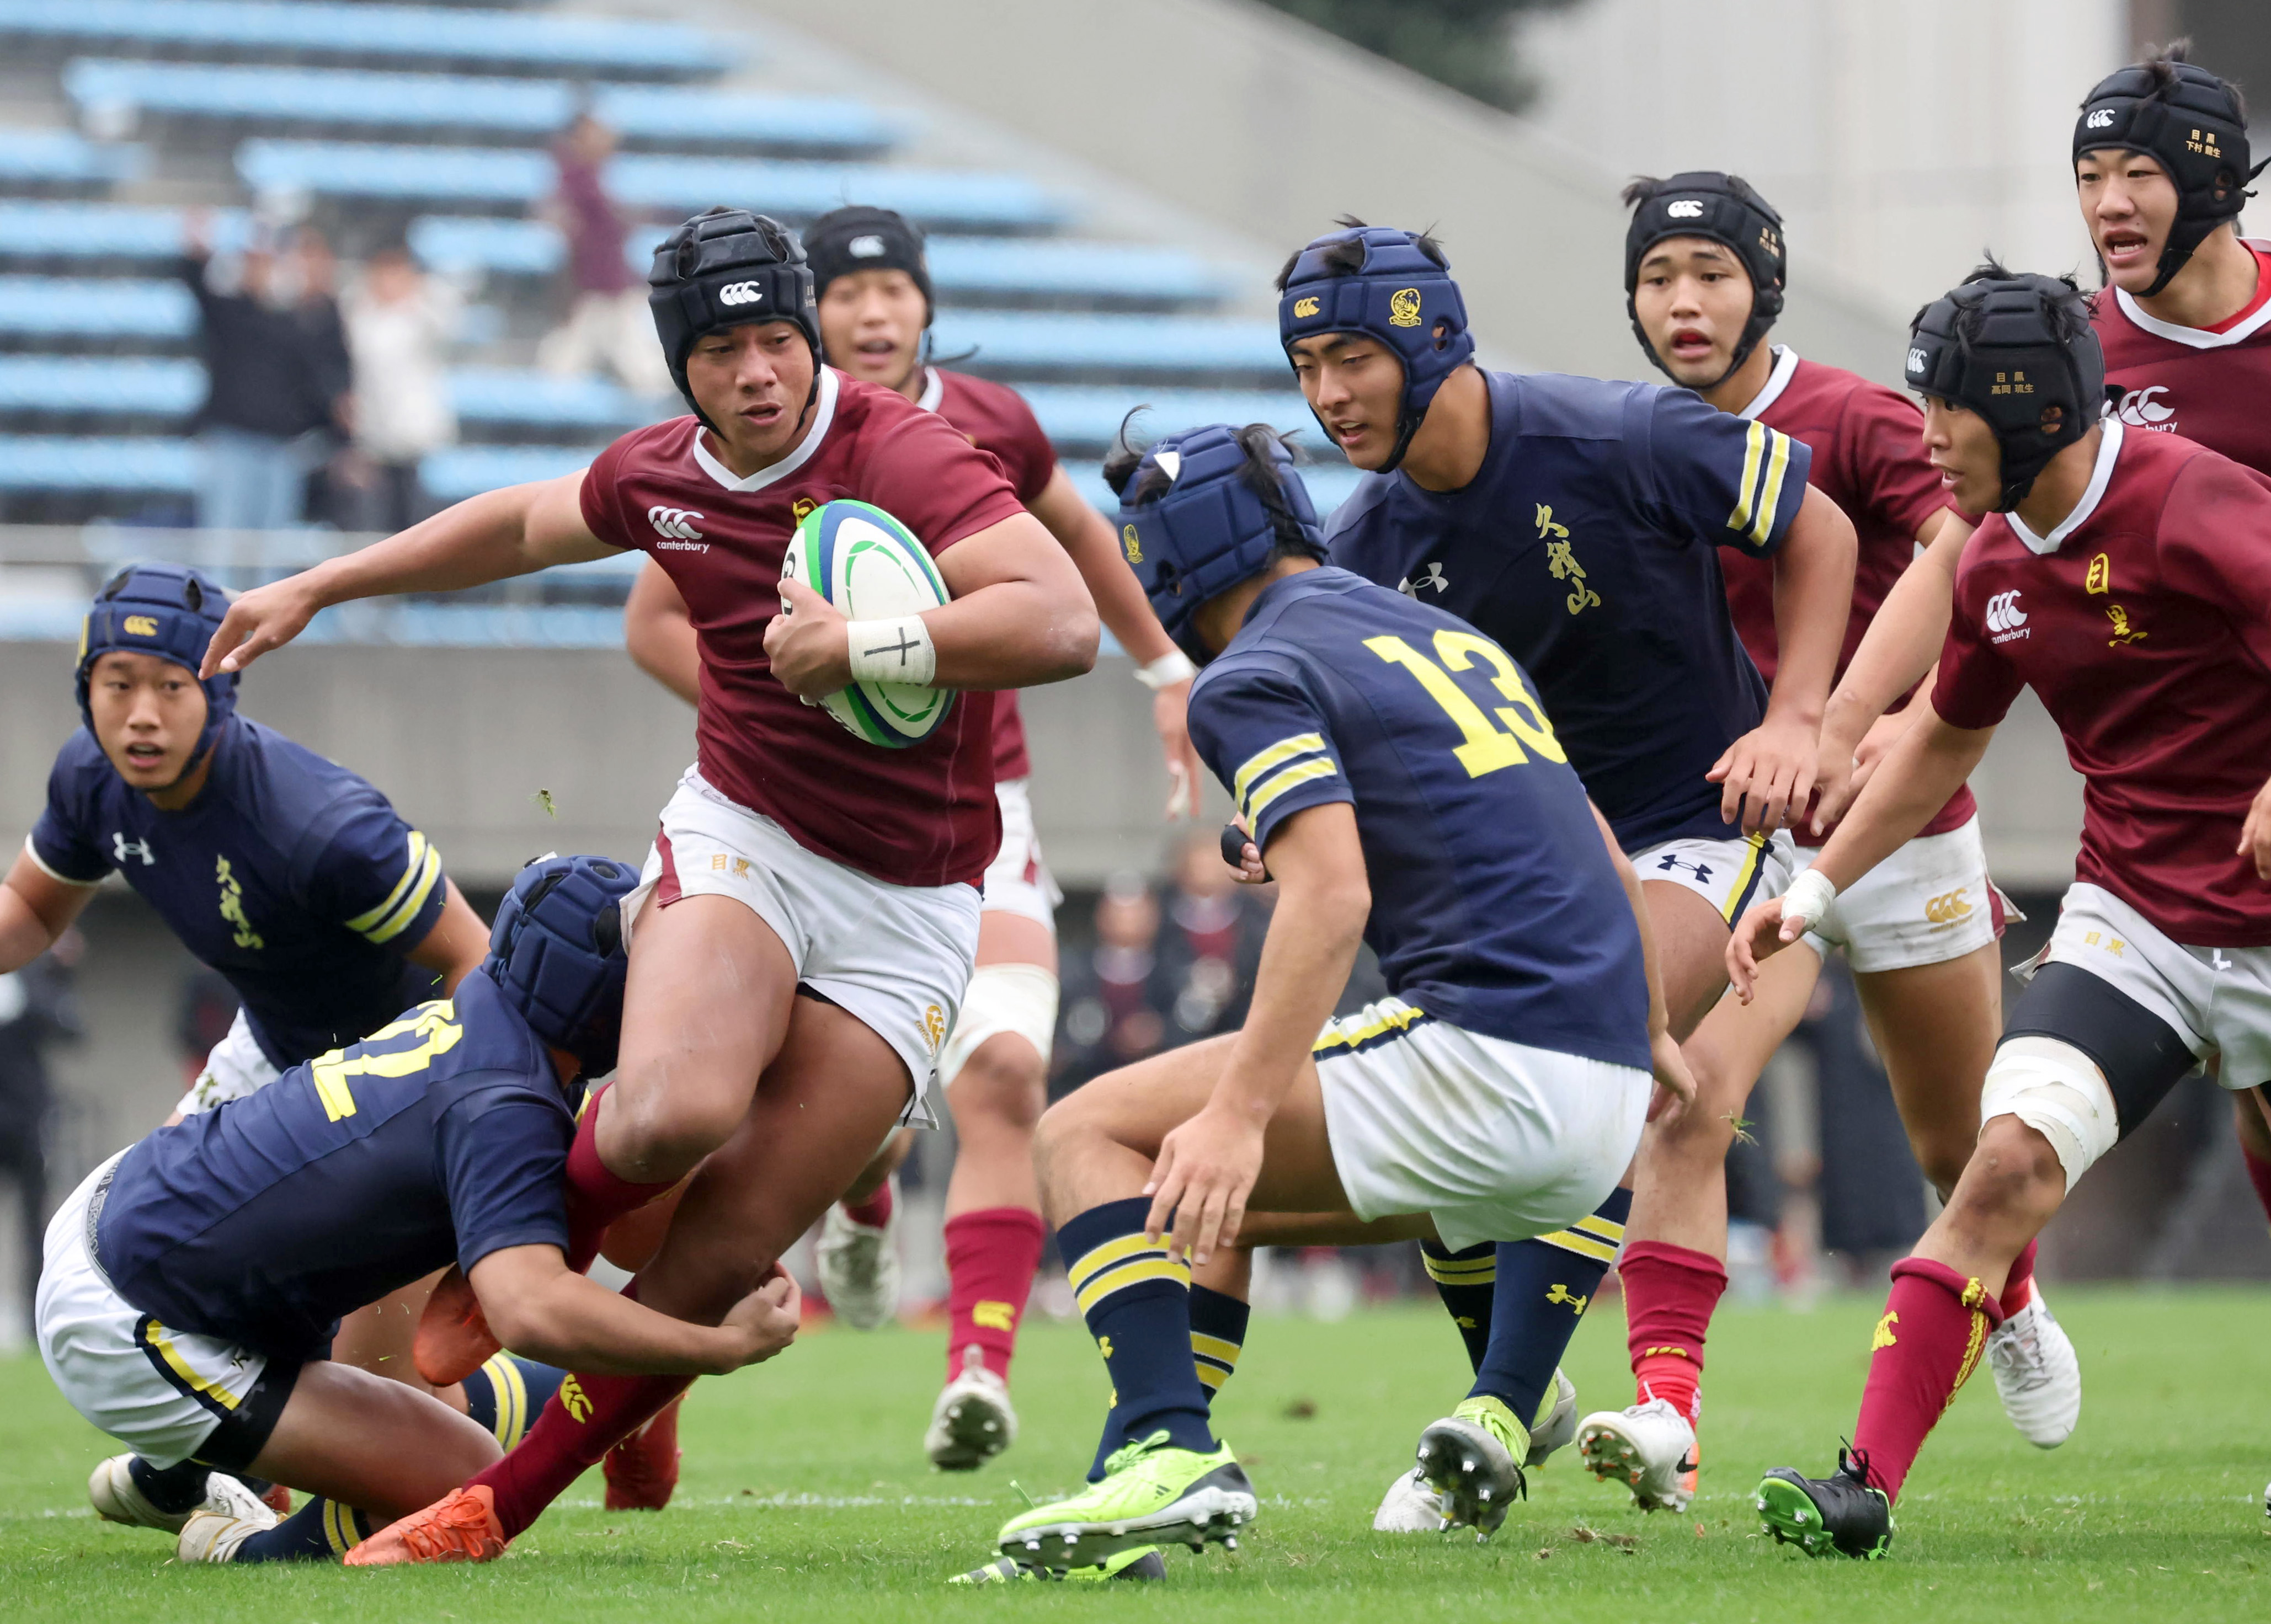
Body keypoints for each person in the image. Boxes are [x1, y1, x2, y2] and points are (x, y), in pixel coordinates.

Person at [195, 206, 1099, 1565]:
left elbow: (1062, 617)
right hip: (748, 835)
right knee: (670, 1112)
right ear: (682, 365)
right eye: (724, 347)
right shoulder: (661, 472)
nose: (760, 372)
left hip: (914, 905)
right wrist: (324, 579)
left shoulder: (904, 452)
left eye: (777, 340)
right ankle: (514, 1258)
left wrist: (868, 641)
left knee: (727, 1248)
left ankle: (497, 1502)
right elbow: (515, 526)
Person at [957, 422, 1688, 1582]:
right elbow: (1592, 835)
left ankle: (1168, 1443)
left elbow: (1333, 892)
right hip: (1602, 1120)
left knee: (1087, 1131)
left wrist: (1241, 1108)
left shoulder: (1248, 671)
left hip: (1495, 1066)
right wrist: (1652, 1024)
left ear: (1175, 557)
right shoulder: (1442, 631)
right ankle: (1127, 1491)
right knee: (1205, 1201)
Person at [1278, 221, 1856, 1523]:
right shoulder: (1369, 543)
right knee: (1457, 1117)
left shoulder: (1624, 434)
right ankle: (1522, 1386)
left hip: (1701, 817)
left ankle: (1491, 1414)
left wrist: (1800, 716)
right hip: (1519, 867)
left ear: (1431, 335)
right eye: (1305, 363)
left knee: (1598, 1041)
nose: (1327, 394)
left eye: (1352, 356)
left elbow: (1816, 528)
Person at [621, 204, 1200, 1473]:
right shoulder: (748, 445)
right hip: (788, 823)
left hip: (980, 818)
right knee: (741, 1098)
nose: (873, 312)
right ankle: (857, 1183)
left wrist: (1165, 667)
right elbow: (656, 613)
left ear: (927, 304)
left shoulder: (982, 426)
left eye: (895, 287)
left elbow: (1074, 553)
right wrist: (779, 714)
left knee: (1000, 1074)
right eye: (845, 292)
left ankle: (976, 1365)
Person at [1737, 265, 2271, 1557]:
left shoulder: (2194, 498)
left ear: (2027, 409)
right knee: (2005, 1161)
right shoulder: (1992, 557)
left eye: (1948, 408)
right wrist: (1810, 893)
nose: (1926, 438)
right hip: (2135, 918)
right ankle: (1862, 1480)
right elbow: (1938, 744)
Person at [1560, 171, 2067, 1513]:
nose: (1684, 301)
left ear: (1763, 286)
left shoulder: (1848, 417)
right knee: (1687, 1093)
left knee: (1959, 1151)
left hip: (1902, 824)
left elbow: (1965, 547)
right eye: (1660, 277)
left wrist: (1882, 733)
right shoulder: (1622, 443)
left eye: (1712, 274)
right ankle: (1666, 1410)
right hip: (1737, 835)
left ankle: (2006, 1298)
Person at [1815, 45, 2271, 1284]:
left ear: (2214, 180)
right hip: (2187, 820)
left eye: (2139, 172)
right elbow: (1956, 548)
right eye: (2089, 173)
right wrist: (1853, 711)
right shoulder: (2064, 358)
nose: (2108, 202)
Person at [36, 855, 802, 1566]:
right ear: (597, 992)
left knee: (438, 1392)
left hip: (145, 1215)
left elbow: (619, 1232)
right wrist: (713, 1347)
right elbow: (532, 1310)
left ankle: (167, 1477)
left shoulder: (487, 1024)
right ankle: (235, 1543)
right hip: (132, 1311)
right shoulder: (504, 1103)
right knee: (461, 1476)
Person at [1, 561, 492, 1425]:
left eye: (170, 687)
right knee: (152, 1261)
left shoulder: (321, 826)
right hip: (272, 1048)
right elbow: (30, 914)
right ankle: (228, 1477)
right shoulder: (90, 778)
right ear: (88, 690)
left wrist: (454, 1128)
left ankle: (599, 1402)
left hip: (401, 1074)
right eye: (117, 685)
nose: (141, 714)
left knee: (388, 1374)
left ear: (220, 688)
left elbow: (474, 963)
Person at [177, 220, 348, 530]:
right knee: (225, 535)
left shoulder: (298, 321)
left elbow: (325, 369)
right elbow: (197, 286)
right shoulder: (230, 315)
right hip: (232, 441)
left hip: (282, 448)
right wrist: (196, 253)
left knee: (272, 542)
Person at [536, 113, 670, 398]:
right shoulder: (575, 181)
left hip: (607, 290)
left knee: (642, 370)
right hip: (592, 292)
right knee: (564, 373)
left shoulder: (589, 179)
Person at [340, 243, 461, 533]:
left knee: (415, 517)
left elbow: (449, 317)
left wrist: (416, 293)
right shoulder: (361, 315)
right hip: (373, 434)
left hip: (415, 434)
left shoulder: (423, 314)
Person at [0, 934, 77, 1337]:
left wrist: (62, 972)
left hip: (27, 1119)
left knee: (36, 1224)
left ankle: (35, 1322)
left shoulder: (30, 975)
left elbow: (70, 1028)